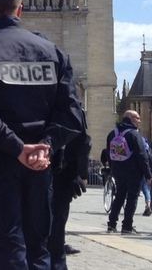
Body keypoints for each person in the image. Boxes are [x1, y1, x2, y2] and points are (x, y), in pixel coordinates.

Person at [0, 0, 83, 269]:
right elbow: (72, 114)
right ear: (20, 9)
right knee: (39, 250)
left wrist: (17, 148)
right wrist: (46, 146)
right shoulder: (53, 52)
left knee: (6, 250)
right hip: (41, 166)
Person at [49, 113, 92, 270]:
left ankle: (55, 245)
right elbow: (82, 142)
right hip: (62, 169)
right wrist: (81, 173)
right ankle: (56, 248)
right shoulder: (69, 105)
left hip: (44, 165)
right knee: (58, 214)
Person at [105, 110, 152, 234]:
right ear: (130, 118)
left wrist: (113, 168)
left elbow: (108, 154)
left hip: (118, 171)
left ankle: (111, 224)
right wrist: (148, 174)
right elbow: (142, 155)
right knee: (132, 198)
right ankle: (127, 226)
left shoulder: (112, 134)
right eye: (137, 118)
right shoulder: (134, 134)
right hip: (133, 172)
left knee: (119, 196)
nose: (139, 120)